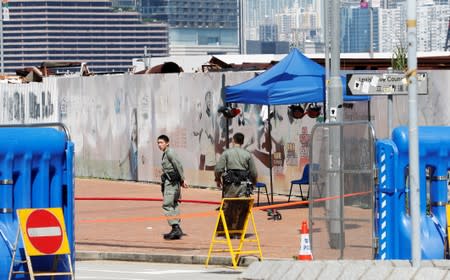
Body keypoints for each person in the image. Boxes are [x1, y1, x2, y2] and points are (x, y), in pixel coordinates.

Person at [157, 134, 188, 240]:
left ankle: (175, 227)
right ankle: (176, 228)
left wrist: (183, 179)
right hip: (172, 182)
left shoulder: (170, 153)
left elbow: (178, 165)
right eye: (158, 143)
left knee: (167, 205)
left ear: (167, 143)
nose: (159, 145)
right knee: (174, 204)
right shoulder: (166, 153)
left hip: (171, 183)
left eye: (161, 142)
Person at [215, 132, 257, 198]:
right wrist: (254, 183)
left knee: (228, 205)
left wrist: (218, 179)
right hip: (244, 186)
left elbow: (218, 169)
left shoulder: (226, 153)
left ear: (233, 140)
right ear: (242, 142)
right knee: (243, 206)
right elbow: (254, 172)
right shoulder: (248, 154)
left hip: (230, 186)